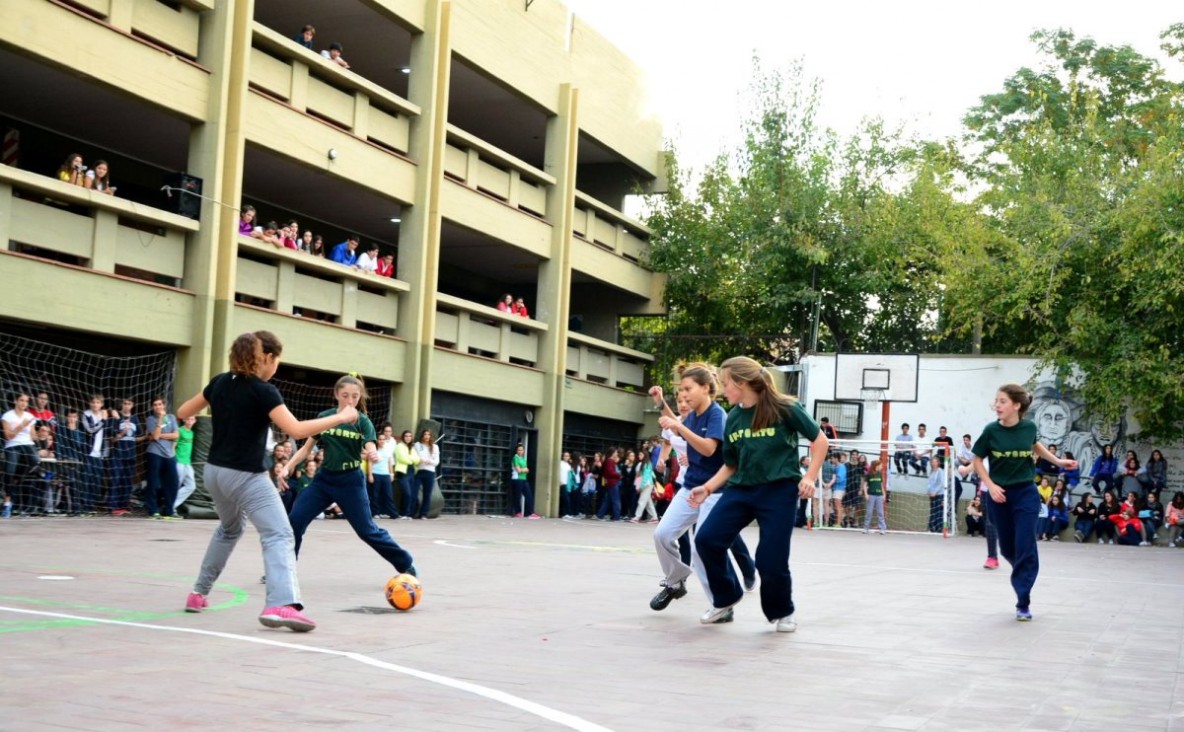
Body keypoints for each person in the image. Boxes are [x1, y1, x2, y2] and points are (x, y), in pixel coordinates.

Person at [177, 331, 361, 632]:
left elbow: (184, 412)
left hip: (213, 473)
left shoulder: (220, 381)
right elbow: (297, 430)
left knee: (229, 528)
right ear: (267, 358)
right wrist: (340, 417)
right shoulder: (264, 391)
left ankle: (198, 593)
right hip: (246, 476)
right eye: (277, 360)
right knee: (279, 534)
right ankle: (282, 604)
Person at [689, 357, 828, 632]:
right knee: (706, 539)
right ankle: (726, 597)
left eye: (726, 383)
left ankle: (783, 611)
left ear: (741, 383)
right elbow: (731, 464)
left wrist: (810, 477)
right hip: (741, 490)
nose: (723, 388)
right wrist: (707, 488)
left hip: (778, 491)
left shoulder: (785, 408)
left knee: (770, 558)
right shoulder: (734, 417)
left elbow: (820, 440)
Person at [283, 375, 416, 580]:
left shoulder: (363, 422)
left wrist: (372, 452)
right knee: (295, 521)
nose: (350, 401)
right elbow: (306, 449)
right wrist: (288, 466)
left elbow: (370, 444)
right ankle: (284, 568)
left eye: (354, 396)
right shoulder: (326, 417)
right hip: (324, 480)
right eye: (345, 395)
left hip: (351, 482)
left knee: (367, 531)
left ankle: (405, 563)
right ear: (337, 395)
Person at [972, 383, 1077, 621]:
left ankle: (1023, 601)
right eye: (996, 401)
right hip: (999, 495)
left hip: (1026, 493)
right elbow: (977, 460)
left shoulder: (1029, 427)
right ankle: (1023, 567)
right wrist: (991, 485)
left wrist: (1059, 462)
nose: (997, 405)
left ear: (1016, 405)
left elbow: (1035, 444)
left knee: (1026, 544)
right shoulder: (991, 431)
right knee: (1008, 548)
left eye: (1002, 401)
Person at [3, 393, 40, 516]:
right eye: (21, 400)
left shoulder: (29, 416)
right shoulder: (7, 416)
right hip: (13, 445)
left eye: (26, 401)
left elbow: (33, 436)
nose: (24, 403)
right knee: (9, 471)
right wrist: (22, 425)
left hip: (27, 444)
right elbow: (8, 436)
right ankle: (7, 502)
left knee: (35, 460)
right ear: (15, 401)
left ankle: (17, 478)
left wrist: (41, 434)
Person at [143, 396, 181, 520]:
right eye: (155, 405)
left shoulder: (171, 418)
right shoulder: (150, 419)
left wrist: (161, 435)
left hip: (169, 454)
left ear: (164, 405)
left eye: (160, 404)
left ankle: (169, 510)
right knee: (153, 482)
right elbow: (154, 437)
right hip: (155, 452)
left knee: (173, 482)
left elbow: (176, 435)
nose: (158, 407)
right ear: (152, 407)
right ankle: (153, 510)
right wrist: (160, 419)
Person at [108, 398, 139, 516]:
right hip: (118, 454)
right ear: (122, 404)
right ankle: (113, 506)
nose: (127, 406)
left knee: (127, 481)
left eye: (129, 404)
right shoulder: (116, 418)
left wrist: (148, 436)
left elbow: (139, 436)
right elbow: (112, 439)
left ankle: (124, 506)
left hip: (131, 455)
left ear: (132, 405)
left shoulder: (135, 419)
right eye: (125, 403)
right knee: (116, 480)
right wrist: (122, 433)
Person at [369, 430, 400, 519]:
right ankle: (375, 512)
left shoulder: (388, 450)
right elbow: (370, 462)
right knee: (375, 494)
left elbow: (389, 462)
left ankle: (392, 513)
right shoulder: (373, 449)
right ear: (377, 440)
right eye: (380, 439)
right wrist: (370, 474)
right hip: (376, 473)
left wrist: (391, 474)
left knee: (388, 494)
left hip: (386, 474)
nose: (382, 441)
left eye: (383, 439)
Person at [412, 428, 439, 519]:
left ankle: (423, 514)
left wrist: (428, 461)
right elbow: (416, 457)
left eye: (428, 434)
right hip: (419, 471)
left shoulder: (435, 447)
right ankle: (412, 512)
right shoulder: (417, 445)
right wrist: (422, 460)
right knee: (414, 492)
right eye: (425, 434)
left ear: (431, 436)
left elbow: (436, 462)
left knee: (427, 494)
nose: (427, 436)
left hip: (430, 472)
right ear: (422, 436)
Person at [174, 415, 197, 512]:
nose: (190, 421)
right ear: (184, 420)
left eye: (192, 419)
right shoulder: (179, 431)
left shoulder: (191, 433)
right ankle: (170, 507)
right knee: (177, 484)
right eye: (188, 419)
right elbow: (174, 445)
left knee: (191, 486)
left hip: (187, 463)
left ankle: (172, 504)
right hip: (179, 461)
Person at [394, 429, 418, 519]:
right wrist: (411, 459)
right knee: (406, 493)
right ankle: (403, 513)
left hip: (411, 471)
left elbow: (417, 459)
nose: (408, 438)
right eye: (406, 436)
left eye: (410, 436)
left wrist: (411, 459)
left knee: (411, 494)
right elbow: (402, 458)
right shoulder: (399, 446)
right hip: (402, 472)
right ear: (403, 437)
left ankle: (407, 514)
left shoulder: (412, 447)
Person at [510, 443, 538, 518]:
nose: (520, 451)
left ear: (523, 451)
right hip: (517, 479)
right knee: (517, 496)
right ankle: (517, 512)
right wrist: (524, 470)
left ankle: (531, 513)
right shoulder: (515, 458)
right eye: (519, 450)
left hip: (524, 479)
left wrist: (524, 470)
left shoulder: (523, 459)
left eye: (521, 450)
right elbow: (518, 470)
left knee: (529, 495)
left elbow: (527, 470)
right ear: (516, 451)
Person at [862, 459, 887, 534]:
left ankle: (882, 528)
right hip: (871, 495)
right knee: (869, 512)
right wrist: (866, 494)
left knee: (880, 512)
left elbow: (881, 485)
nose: (881, 466)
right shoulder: (869, 474)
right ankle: (866, 527)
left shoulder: (880, 474)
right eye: (880, 465)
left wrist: (884, 494)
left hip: (879, 495)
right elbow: (865, 485)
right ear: (876, 466)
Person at [926, 456, 944, 533]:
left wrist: (935, 492)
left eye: (935, 461)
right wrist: (928, 491)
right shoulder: (931, 471)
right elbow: (930, 483)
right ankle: (931, 528)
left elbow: (941, 483)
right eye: (932, 462)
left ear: (938, 462)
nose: (933, 463)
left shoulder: (940, 471)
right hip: (932, 495)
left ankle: (938, 528)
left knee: (938, 511)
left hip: (939, 494)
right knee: (933, 511)